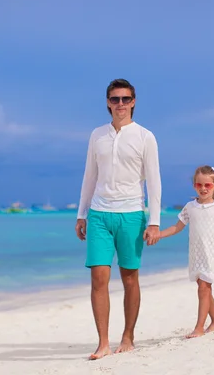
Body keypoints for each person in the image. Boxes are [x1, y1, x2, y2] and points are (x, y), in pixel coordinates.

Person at [75, 78, 161, 360]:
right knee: (98, 278)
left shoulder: (145, 136)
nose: (120, 104)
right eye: (115, 99)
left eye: (125, 99)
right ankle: (103, 342)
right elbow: (90, 175)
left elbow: (155, 182)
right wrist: (81, 214)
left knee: (129, 279)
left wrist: (154, 221)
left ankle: (128, 336)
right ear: (108, 103)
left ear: (133, 102)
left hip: (132, 215)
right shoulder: (97, 135)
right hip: (99, 214)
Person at [150, 166, 214, 338]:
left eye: (208, 185)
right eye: (199, 185)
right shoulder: (190, 207)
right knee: (204, 287)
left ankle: (199, 327)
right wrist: (159, 234)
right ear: (194, 186)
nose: (203, 189)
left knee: (204, 288)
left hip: (212, 254)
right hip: (197, 254)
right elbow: (177, 227)